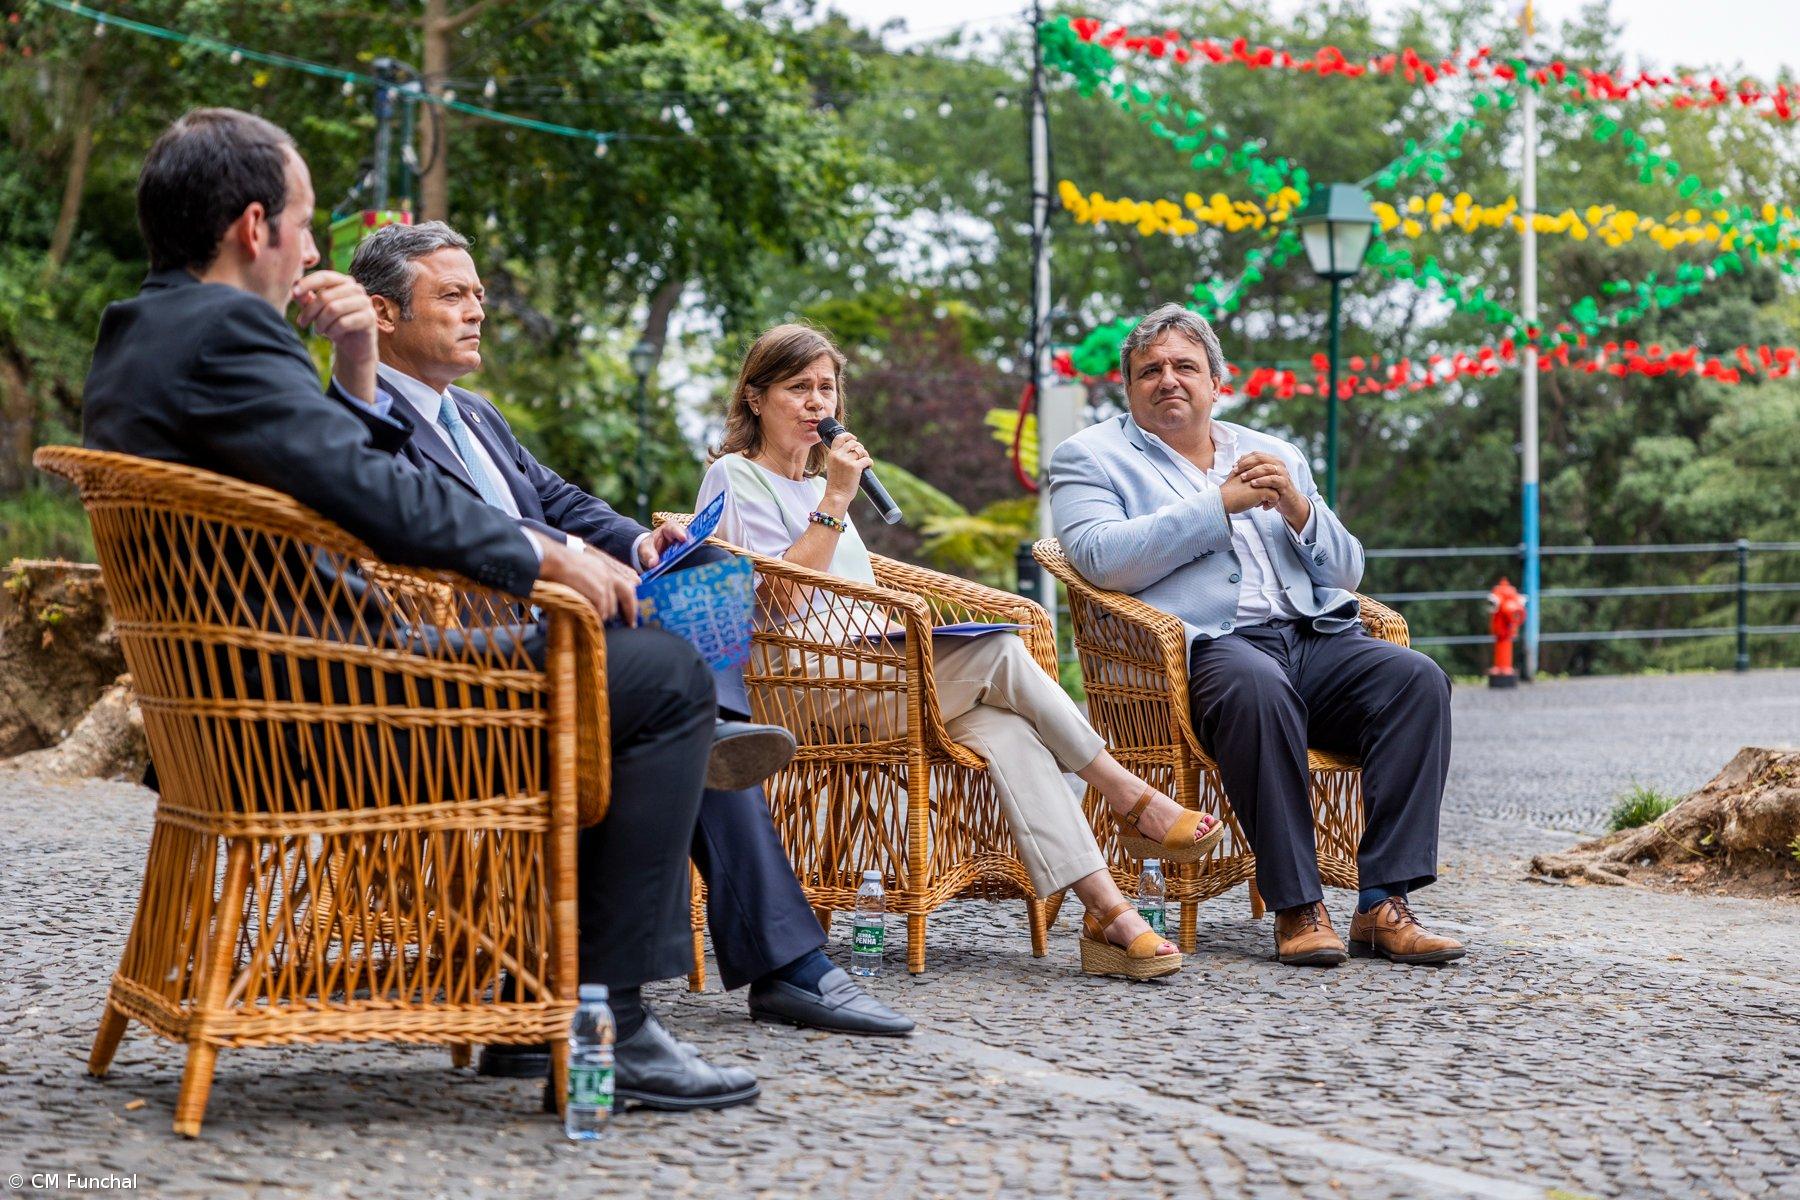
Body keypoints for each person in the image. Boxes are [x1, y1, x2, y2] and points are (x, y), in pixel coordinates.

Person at [81, 108, 778, 1111]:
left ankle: (525, 1001)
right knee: (659, 678)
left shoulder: (141, 336)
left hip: (239, 698)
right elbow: (385, 500)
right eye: (306, 224)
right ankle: (608, 1024)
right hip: (333, 709)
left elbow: (346, 472)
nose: (315, 250)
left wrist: (357, 366)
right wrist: (546, 553)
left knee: (608, 673)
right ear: (252, 229)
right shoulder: (228, 333)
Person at [347, 220, 912, 1042]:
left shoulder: (474, 414)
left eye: (479, 295)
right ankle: (786, 962)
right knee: (680, 694)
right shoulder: (362, 417)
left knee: (704, 578)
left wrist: (640, 541)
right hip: (483, 642)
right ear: (383, 315)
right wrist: (556, 565)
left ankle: (724, 765)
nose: (477, 311)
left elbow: (563, 500)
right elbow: (419, 526)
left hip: (573, 636)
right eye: (453, 295)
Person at [695, 324, 1231, 981]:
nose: (816, 404)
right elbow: (775, 602)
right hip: (802, 685)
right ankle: (1131, 798)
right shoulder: (736, 477)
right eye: (796, 389)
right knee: (1000, 653)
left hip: (879, 671)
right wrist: (836, 498)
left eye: (826, 389)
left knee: (1008, 731)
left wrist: (828, 501)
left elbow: (854, 595)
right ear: (755, 399)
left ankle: (1110, 916)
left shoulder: (815, 488)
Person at [1046, 303, 1464, 968]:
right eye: (1150, 371)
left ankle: (1383, 903)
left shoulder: (1275, 453)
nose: (1169, 380)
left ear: (1219, 381)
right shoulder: (1090, 456)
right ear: (1128, 389)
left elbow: (1348, 570)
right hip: (1207, 650)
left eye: (1186, 366)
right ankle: (1298, 906)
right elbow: (1099, 557)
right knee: (1258, 689)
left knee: (1417, 681)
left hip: (1314, 635)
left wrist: (1299, 510)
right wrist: (1219, 506)